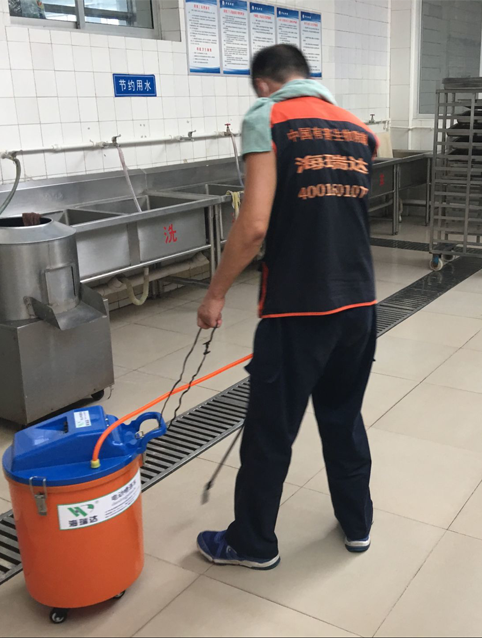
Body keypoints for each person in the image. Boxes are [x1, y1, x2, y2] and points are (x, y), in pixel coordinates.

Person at [195, 44, 378, 570]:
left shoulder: (268, 117)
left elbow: (253, 225)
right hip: (360, 302)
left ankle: (253, 543)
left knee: (270, 430)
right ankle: (358, 523)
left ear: (263, 84)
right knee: (343, 416)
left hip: (297, 307)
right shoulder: (356, 127)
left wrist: (215, 293)